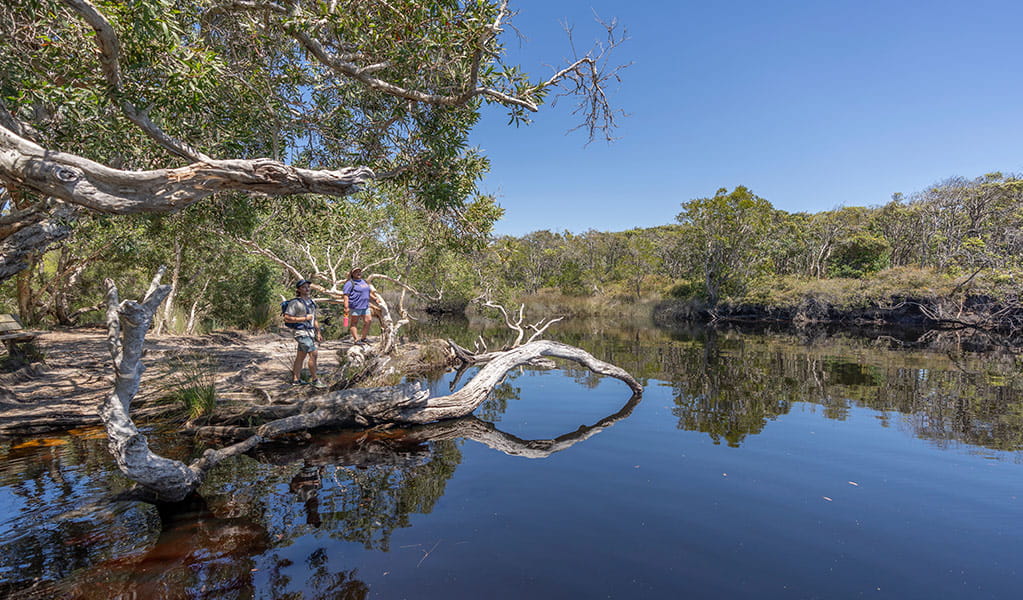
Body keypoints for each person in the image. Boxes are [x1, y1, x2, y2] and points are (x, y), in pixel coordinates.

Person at [281, 279, 327, 387]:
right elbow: (287, 318)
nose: (307, 289)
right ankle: (315, 380)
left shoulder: (312, 303)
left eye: (308, 287)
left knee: (300, 356)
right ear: (298, 289)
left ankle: (296, 380)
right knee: (314, 353)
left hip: (310, 333)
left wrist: (318, 332)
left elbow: (314, 319)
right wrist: (304, 318)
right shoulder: (294, 303)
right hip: (300, 333)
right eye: (304, 287)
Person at [342, 268, 381, 345]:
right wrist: (346, 307)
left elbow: (368, 292)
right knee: (354, 323)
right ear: (352, 274)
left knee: (368, 321)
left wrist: (375, 298)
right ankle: (356, 339)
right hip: (355, 306)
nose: (358, 273)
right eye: (356, 272)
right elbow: (346, 296)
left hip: (365, 306)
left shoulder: (363, 281)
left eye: (359, 272)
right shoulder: (350, 283)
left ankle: (363, 338)